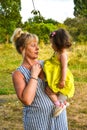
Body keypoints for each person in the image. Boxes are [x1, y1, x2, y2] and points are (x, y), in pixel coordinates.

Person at [11, 28, 68, 130]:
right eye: (33, 46)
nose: (37, 48)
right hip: (38, 122)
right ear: (22, 49)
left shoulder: (46, 64)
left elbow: (63, 84)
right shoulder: (18, 74)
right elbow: (27, 100)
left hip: (59, 117)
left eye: (37, 45)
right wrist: (34, 75)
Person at [43, 28, 75, 117]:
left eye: (52, 43)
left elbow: (64, 67)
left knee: (49, 90)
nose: (51, 45)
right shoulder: (57, 52)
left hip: (62, 77)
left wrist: (63, 80)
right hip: (56, 76)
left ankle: (59, 104)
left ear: (58, 43)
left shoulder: (63, 55)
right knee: (54, 91)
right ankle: (63, 103)